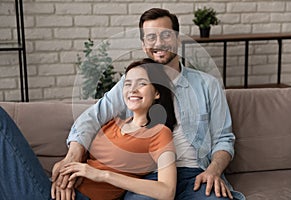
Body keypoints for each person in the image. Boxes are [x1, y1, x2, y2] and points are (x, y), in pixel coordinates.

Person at [52, 8, 245, 200]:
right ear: (144, 45)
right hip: (149, 177)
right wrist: (73, 156)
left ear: (178, 39)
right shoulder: (131, 84)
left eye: (166, 35)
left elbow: (224, 139)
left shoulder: (207, 85)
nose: (159, 43)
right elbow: (93, 117)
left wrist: (213, 170)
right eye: (151, 37)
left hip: (196, 174)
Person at [0, 58, 177, 200]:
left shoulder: (159, 133)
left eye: (142, 84)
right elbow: (86, 130)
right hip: (59, 190)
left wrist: (102, 175)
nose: (132, 89)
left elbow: (166, 191)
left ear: (157, 93)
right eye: (128, 83)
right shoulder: (113, 122)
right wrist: (66, 180)